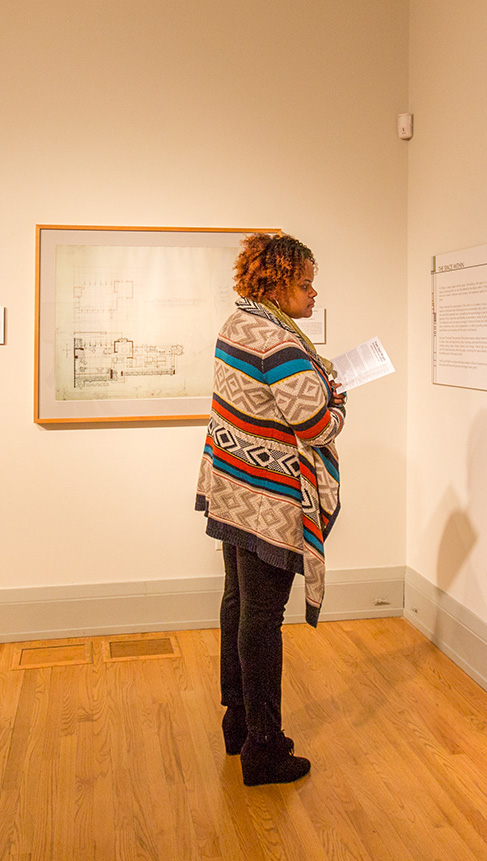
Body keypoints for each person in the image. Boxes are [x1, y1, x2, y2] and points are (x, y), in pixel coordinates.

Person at [195, 233, 347, 786]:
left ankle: (237, 720)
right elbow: (315, 424)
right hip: (266, 497)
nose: (313, 293)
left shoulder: (238, 323)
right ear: (278, 284)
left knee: (238, 603)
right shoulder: (279, 343)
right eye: (305, 283)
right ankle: (264, 748)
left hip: (234, 484)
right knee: (261, 619)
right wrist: (339, 393)